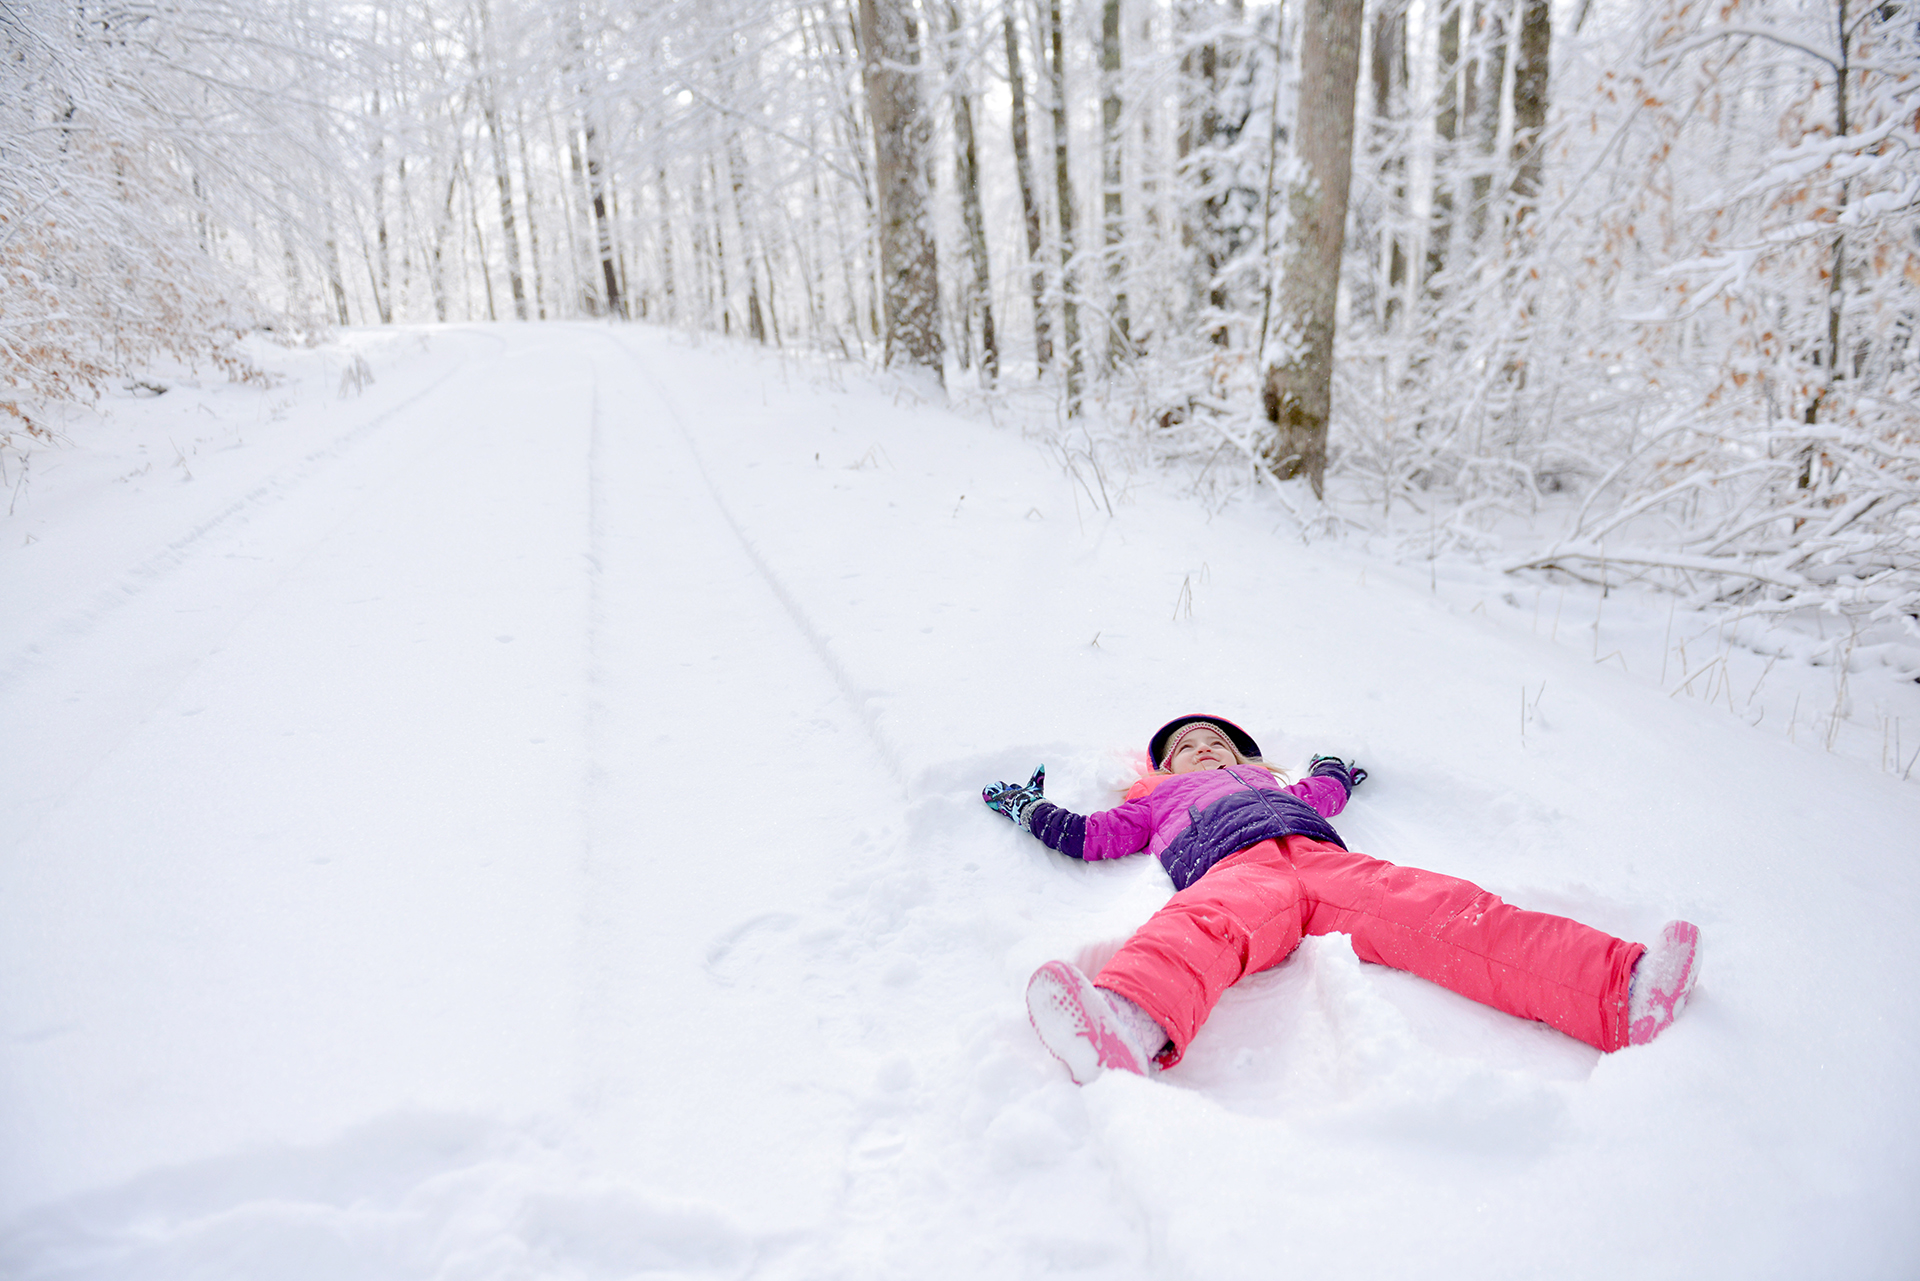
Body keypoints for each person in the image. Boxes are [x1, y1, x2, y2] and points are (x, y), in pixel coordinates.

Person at [982, 714, 1702, 1084]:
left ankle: (1619, 989)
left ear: (1245, 758)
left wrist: (1332, 768)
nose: (1205, 750)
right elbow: (1088, 835)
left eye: (1218, 744)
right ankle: (1126, 1024)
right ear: (1163, 769)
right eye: (1188, 747)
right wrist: (1027, 807)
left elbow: (1323, 791)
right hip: (1234, 874)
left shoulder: (1273, 786)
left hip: (1327, 869)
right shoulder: (1155, 802)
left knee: (1450, 909)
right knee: (1200, 928)